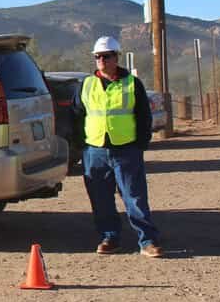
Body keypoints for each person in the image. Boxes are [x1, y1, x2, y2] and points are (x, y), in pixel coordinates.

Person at [70, 35, 163, 258]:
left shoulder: (132, 84)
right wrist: (80, 143)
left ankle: (147, 240)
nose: (101, 60)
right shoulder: (86, 85)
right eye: (97, 57)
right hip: (95, 150)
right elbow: (76, 115)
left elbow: (143, 116)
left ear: (116, 57)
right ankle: (109, 237)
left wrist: (141, 144)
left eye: (106, 56)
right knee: (100, 199)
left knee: (134, 197)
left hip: (126, 148)